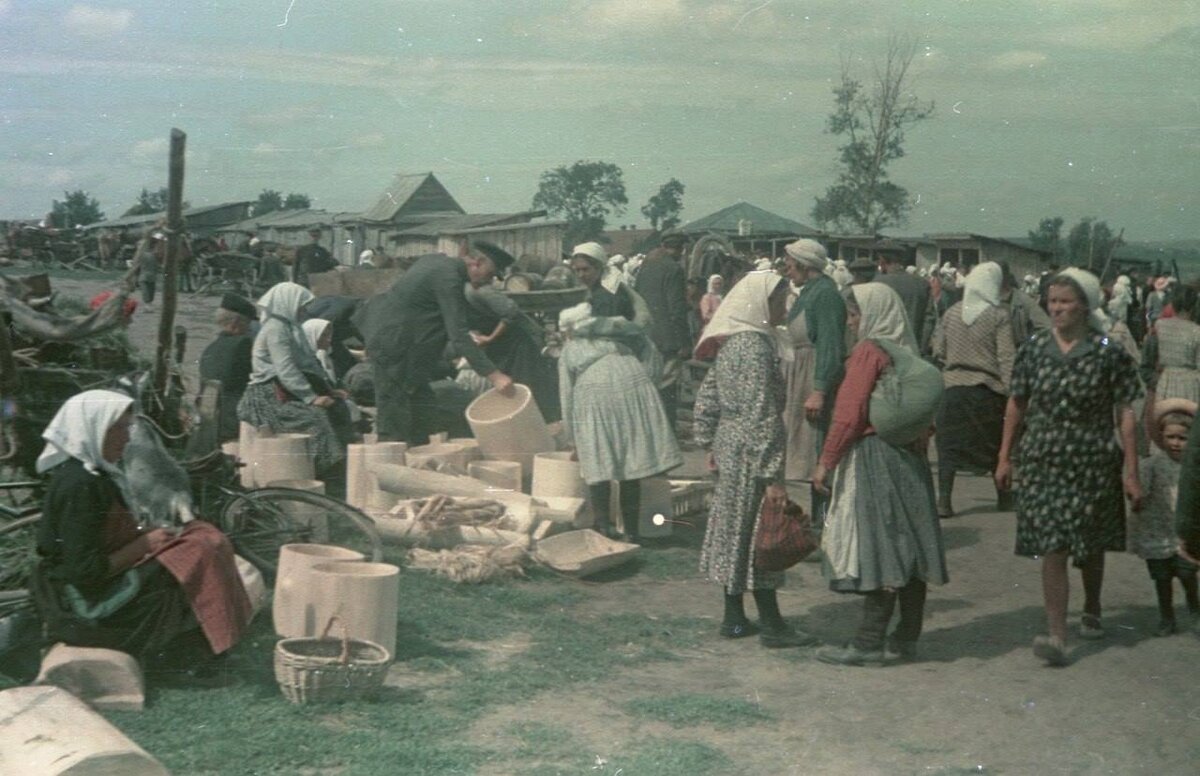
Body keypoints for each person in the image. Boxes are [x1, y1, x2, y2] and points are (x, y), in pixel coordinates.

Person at [32, 390, 251, 679]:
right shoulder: (79, 486)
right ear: (93, 429)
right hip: (87, 604)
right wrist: (145, 543)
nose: (127, 437)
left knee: (203, 534)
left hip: (106, 580)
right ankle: (196, 648)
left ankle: (212, 637)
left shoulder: (97, 474)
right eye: (119, 428)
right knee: (197, 551)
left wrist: (150, 535)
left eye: (128, 427)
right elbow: (84, 571)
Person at [996, 268, 1143, 666]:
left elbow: (1125, 410)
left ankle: (1092, 604)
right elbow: (1017, 403)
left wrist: (1131, 470)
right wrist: (1004, 456)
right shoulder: (1032, 348)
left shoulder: (1108, 349)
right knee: (1054, 545)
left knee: (1090, 540)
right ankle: (1057, 635)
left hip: (1092, 460)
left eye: (1066, 301)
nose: (1056, 308)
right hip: (1042, 460)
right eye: (1053, 300)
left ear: (1086, 305)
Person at [811, 283, 948, 665]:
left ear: (869, 315)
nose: (851, 324)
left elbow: (850, 413)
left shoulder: (869, 351)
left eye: (854, 316)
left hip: (875, 459)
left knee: (880, 545)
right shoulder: (907, 350)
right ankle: (907, 637)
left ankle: (869, 642)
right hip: (909, 462)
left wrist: (827, 460)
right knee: (911, 545)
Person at [693, 272, 818, 648]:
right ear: (759, 304)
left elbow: (708, 397)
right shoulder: (756, 347)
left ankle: (734, 618)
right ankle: (773, 625)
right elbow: (762, 412)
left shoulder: (731, 342)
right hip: (752, 448)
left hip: (732, 444)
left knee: (737, 530)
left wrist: (710, 442)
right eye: (779, 301)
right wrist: (772, 476)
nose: (785, 308)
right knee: (763, 533)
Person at [352, 242, 515, 444]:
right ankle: (387, 469)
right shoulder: (449, 278)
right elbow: (458, 335)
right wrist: (495, 375)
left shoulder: (437, 262)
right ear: (477, 262)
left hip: (403, 346)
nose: (488, 281)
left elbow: (425, 310)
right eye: (490, 274)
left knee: (423, 414)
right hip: (393, 346)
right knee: (394, 417)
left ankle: (417, 460)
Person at [557, 303, 681, 542]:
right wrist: (649, 386)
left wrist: (572, 437)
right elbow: (652, 356)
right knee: (631, 460)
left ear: (569, 331)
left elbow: (566, 393)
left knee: (597, 459)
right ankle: (632, 531)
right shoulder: (619, 345)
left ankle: (603, 525)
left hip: (595, 395)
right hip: (634, 385)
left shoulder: (570, 350)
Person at [931, 262, 1017, 517]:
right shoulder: (998, 315)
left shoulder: (952, 313)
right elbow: (1006, 356)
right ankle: (1003, 496)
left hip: (953, 389)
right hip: (987, 390)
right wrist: (1014, 392)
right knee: (994, 446)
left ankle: (944, 501)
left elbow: (939, 350)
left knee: (948, 448)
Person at [237, 282, 345, 476]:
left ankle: (335, 465)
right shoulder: (275, 329)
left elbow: (308, 362)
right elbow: (285, 369)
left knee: (338, 408)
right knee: (314, 417)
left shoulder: (290, 327)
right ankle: (318, 471)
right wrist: (311, 398)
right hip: (267, 395)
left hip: (284, 389)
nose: (303, 311)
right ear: (288, 303)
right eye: (301, 306)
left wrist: (328, 390)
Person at [779, 239, 846, 514]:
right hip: (800, 372)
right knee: (802, 451)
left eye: (789, 262)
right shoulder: (810, 291)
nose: (786, 268)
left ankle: (822, 519)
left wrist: (819, 390)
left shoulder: (825, 295)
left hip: (812, 376)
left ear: (804, 264)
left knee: (814, 449)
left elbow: (829, 345)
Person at [1130, 400, 1199, 636]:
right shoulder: (1153, 464)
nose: (1176, 443)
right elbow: (1140, 490)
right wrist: (1137, 495)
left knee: (1188, 572)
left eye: (1182, 438)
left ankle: (1195, 607)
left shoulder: (1194, 466)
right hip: (1157, 529)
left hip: (1183, 531)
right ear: (1161, 437)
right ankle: (1167, 617)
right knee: (1162, 577)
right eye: (1171, 437)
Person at [463, 278, 560, 421]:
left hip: (517, 347)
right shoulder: (457, 297)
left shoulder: (477, 291)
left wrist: (490, 337)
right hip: (498, 350)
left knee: (530, 390)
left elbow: (511, 312)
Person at [635, 234, 692, 430]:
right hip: (667, 339)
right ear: (681, 249)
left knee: (648, 385)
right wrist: (685, 342)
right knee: (667, 388)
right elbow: (677, 309)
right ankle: (667, 432)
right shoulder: (673, 269)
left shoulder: (646, 267)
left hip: (645, 336)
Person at [198, 294, 256, 443]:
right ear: (235, 322)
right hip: (234, 419)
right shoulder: (242, 344)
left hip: (212, 419)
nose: (249, 328)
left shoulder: (210, 349)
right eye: (247, 323)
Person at [874, 243, 933, 351]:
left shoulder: (878, 283)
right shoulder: (922, 283)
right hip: (913, 347)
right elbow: (929, 319)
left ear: (882, 261)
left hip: (885, 348)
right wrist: (922, 348)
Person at [570, 242, 636, 321]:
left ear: (599, 268)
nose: (581, 275)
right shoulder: (597, 289)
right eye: (577, 270)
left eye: (585, 270)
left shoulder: (608, 294)